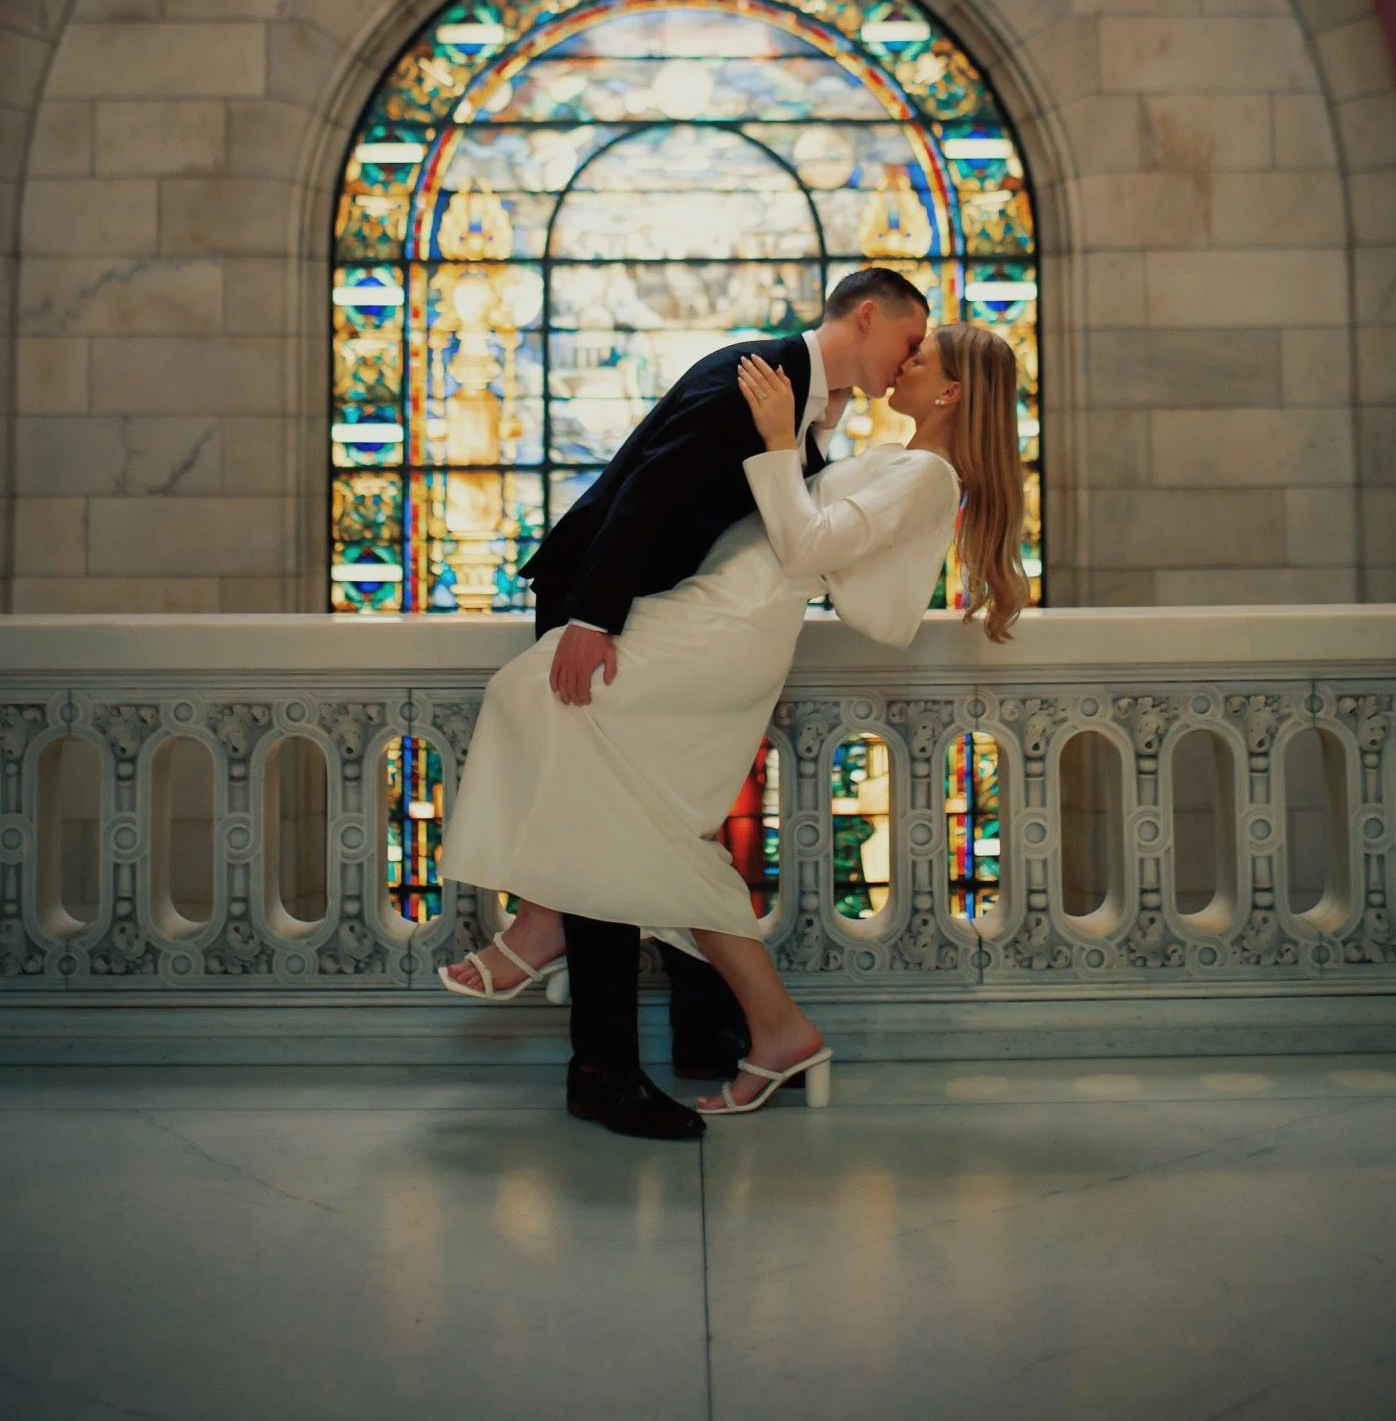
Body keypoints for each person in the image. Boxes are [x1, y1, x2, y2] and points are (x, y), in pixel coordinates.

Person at [440, 284, 1028, 1135]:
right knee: (651, 814)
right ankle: (767, 1026)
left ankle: (548, 932)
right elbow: (654, 492)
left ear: (947, 393)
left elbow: (817, 551)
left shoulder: (903, 463)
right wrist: (598, 610)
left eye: (923, 356)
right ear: (868, 317)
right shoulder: (770, 388)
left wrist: (785, 442)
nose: (909, 357)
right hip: (698, 611)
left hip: (729, 628)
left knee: (549, 715)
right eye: (911, 339)